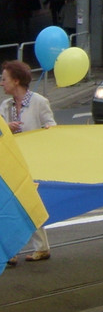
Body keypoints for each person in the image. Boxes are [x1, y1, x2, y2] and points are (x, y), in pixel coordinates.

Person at [2, 60, 56, 265]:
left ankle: (41, 247)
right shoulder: (5, 106)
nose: (1, 83)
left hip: (33, 161)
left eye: (4, 79)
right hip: (10, 162)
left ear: (16, 81)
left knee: (30, 204)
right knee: (10, 205)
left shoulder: (39, 102)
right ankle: (11, 250)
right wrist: (7, 127)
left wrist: (44, 132)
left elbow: (51, 127)